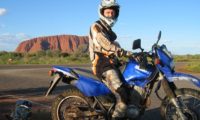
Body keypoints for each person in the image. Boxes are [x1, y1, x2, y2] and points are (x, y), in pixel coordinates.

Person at [88, 0, 136, 119]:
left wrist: (131, 55)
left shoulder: (108, 30)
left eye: (112, 13)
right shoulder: (96, 26)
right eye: (107, 12)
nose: (110, 15)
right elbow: (106, 44)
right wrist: (124, 52)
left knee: (129, 88)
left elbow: (114, 46)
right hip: (102, 65)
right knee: (122, 95)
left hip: (110, 64)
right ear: (102, 12)